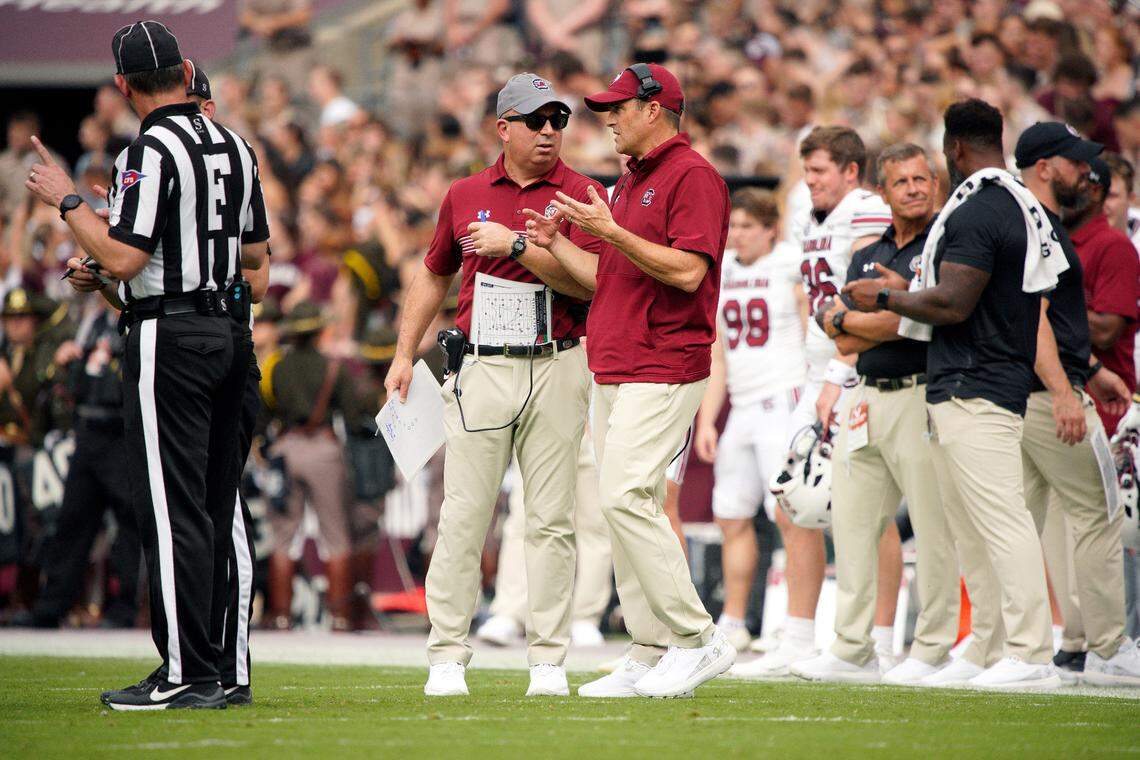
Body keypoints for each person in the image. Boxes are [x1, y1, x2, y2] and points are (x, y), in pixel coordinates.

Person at [26, 20, 268, 709]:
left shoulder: (150, 146)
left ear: (123, 84)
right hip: (230, 332)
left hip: (172, 340)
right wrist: (111, 268)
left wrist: (70, 202)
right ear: (188, 71)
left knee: (171, 511)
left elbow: (130, 258)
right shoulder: (233, 144)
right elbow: (255, 257)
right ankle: (220, 669)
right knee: (213, 509)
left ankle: (186, 672)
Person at [384, 73, 600, 698]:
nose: (550, 132)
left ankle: (549, 662)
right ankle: (447, 654)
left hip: (559, 361)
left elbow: (591, 286)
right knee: (464, 516)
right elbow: (432, 276)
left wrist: (518, 247)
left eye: (557, 120)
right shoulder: (465, 192)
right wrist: (404, 354)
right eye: (536, 120)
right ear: (502, 127)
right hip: (479, 364)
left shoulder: (583, 192)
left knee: (552, 520)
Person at [524, 62, 736, 698]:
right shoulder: (630, 180)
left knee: (622, 496)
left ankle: (699, 638)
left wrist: (610, 230)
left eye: (618, 107)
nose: (607, 118)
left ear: (656, 108)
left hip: (664, 360)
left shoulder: (692, 175)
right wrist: (557, 245)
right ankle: (648, 650)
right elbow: (608, 281)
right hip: (616, 361)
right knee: (623, 509)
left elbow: (688, 273)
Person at [842, 101, 1066, 690]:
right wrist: (905, 290)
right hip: (970, 379)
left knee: (1001, 520)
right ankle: (987, 647)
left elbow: (953, 302)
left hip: (976, 380)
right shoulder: (1013, 201)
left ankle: (1031, 652)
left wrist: (885, 299)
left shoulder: (977, 210)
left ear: (954, 151)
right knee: (970, 525)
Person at [790, 143, 962, 685]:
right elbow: (834, 323)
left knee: (933, 528)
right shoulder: (869, 253)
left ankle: (932, 647)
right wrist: (882, 314)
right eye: (903, 181)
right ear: (882, 192)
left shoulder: (943, 245)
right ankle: (851, 645)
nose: (915, 188)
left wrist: (880, 314)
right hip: (866, 392)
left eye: (922, 178)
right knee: (853, 521)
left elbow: (917, 322)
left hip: (921, 392)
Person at [737, 125, 899, 679]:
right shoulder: (811, 214)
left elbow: (864, 295)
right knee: (793, 501)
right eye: (806, 172)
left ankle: (880, 639)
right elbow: (814, 299)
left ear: (851, 171)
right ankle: (799, 637)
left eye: (819, 171)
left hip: (852, 370)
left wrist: (840, 368)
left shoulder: (865, 209)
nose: (809, 182)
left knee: (868, 511)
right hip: (815, 371)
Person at [1012, 135, 1139, 687]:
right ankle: (1108, 647)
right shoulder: (1041, 228)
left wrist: (1086, 370)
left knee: (1023, 523)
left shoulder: (1017, 219)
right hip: (1049, 395)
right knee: (1098, 514)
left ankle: (1017, 647)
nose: (1086, 175)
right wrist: (1068, 386)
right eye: (1075, 164)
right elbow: (1037, 318)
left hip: (1017, 394)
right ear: (1046, 167)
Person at [692, 189, 807, 654]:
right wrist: (707, 420)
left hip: (783, 399)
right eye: (732, 226)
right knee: (731, 515)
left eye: (746, 226)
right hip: (741, 406)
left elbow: (808, 331)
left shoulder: (791, 263)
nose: (736, 234)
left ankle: (794, 623)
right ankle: (734, 621)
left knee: (788, 515)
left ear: (770, 228)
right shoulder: (725, 269)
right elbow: (717, 356)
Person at [9, 296, 137, 630]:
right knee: (72, 522)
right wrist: (69, 363)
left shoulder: (135, 317)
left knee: (129, 524)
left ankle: (126, 608)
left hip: (120, 428)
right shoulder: (90, 322)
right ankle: (52, 606)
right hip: (87, 430)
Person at [263, 302, 360, 631]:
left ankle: (281, 616)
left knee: (282, 537)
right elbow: (350, 413)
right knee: (335, 535)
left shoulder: (277, 366)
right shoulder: (334, 368)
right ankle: (340, 617)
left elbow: (265, 414)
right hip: (322, 446)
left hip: (287, 446)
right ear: (319, 331)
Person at [1064, 155, 1139, 434]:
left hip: (1105, 408)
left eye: (1112, 195)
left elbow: (1107, 332)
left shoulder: (1114, 245)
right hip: (1067, 404)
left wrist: (1048, 308)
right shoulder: (1062, 242)